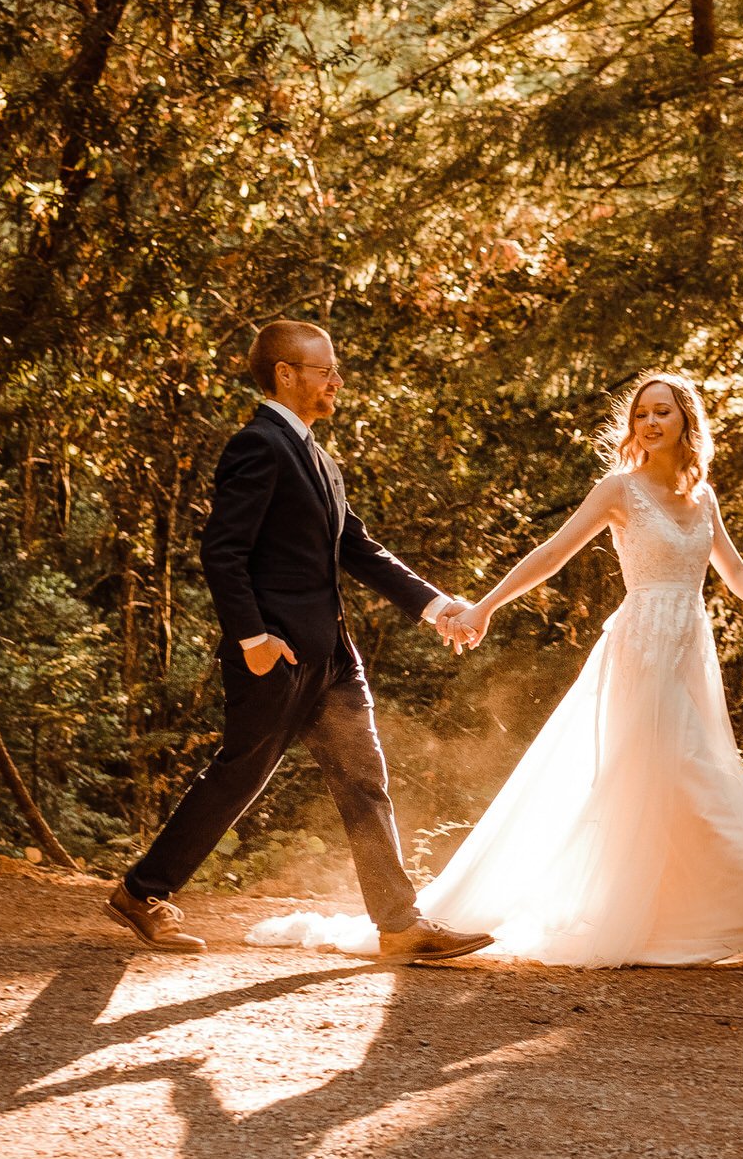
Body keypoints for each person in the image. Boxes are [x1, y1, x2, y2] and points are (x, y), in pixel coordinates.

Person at [250, 371, 743, 967]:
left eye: (663, 412)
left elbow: (736, 572)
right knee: (700, 769)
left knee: (675, 780)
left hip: (688, 650)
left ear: (686, 422)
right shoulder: (620, 490)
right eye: (641, 413)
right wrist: (484, 605)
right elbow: (552, 553)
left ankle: (673, 914)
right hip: (641, 650)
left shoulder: (701, 496)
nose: (649, 422)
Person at [108, 320, 493, 962]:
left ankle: (401, 927)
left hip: (334, 661)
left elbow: (357, 550)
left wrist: (437, 605)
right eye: (326, 369)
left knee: (365, 783)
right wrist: (253, 636)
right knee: (239, 777)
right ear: (287, 374)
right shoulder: (257, 446)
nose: (336, 380)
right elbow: (222, 552)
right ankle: (141, 892)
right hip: (275, 657)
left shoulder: (320, 458)